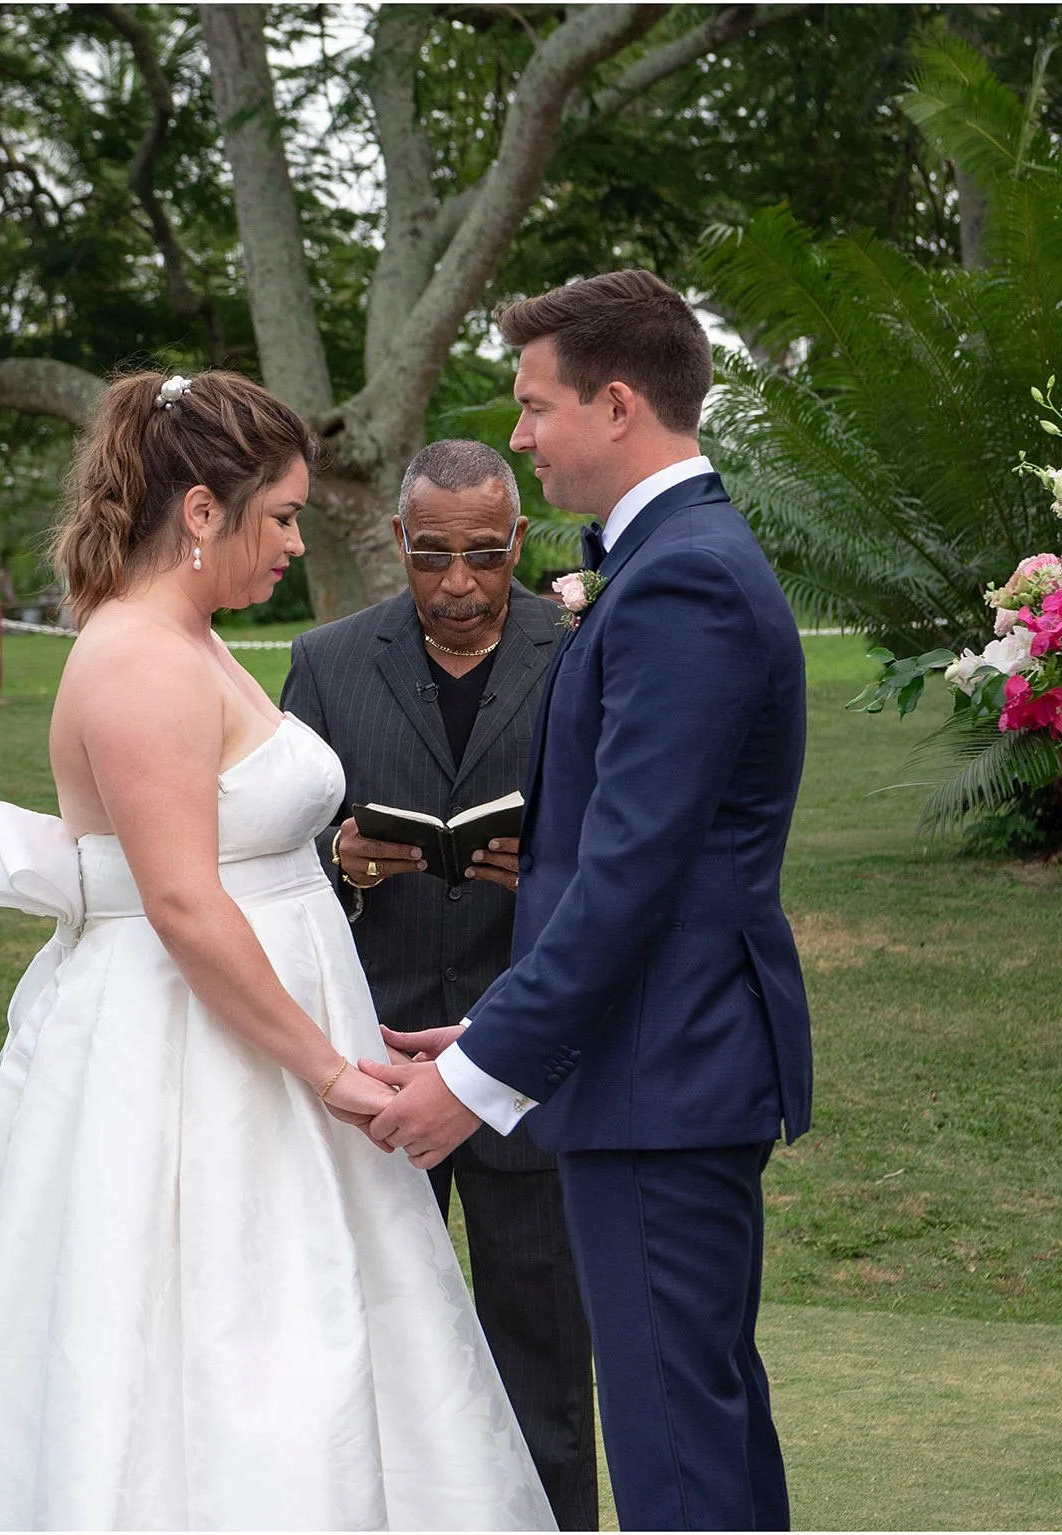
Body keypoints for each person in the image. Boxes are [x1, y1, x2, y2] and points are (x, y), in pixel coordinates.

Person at [0, 370, 552, 1531]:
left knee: (318, 1328)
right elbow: (180, 900)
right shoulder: (137, 657)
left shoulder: (192, 640)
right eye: (278, 516)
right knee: (197, 1337)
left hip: (266, 1032)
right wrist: (328, 1071)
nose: (290, 544)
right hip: (183, 1057)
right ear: (203, 510)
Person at [362, 270, 812, 1532]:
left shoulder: (685, 581)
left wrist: (476, 1077)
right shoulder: (673, 560)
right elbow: (602, 867)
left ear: (616, 404)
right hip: (646, 1063)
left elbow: (631, 874)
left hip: (662, 1072)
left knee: (677, 1447)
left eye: (533, 403)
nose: (517, 433)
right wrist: (496, 1023)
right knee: (695, 1420)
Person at [280, 439, 597, 1531]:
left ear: (516, 541)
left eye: (479, 554)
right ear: (398, 548)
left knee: (547, 1363)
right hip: (373, 1062)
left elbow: (630, 836)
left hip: (525, 1063)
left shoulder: (580, 645)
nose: (456, 583)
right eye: (429, 556)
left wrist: (548, 861)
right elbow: (280, 841)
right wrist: (342, 857)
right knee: (369, 1356)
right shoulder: (324, 661)